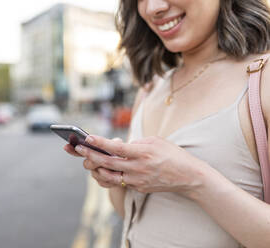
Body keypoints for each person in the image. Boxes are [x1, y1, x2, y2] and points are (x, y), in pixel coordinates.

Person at [64, 0, 270, 247]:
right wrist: (114, 175)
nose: (153, 8)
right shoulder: (150, 90)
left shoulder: (262, 80)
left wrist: (193, 180)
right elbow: (132, 216)